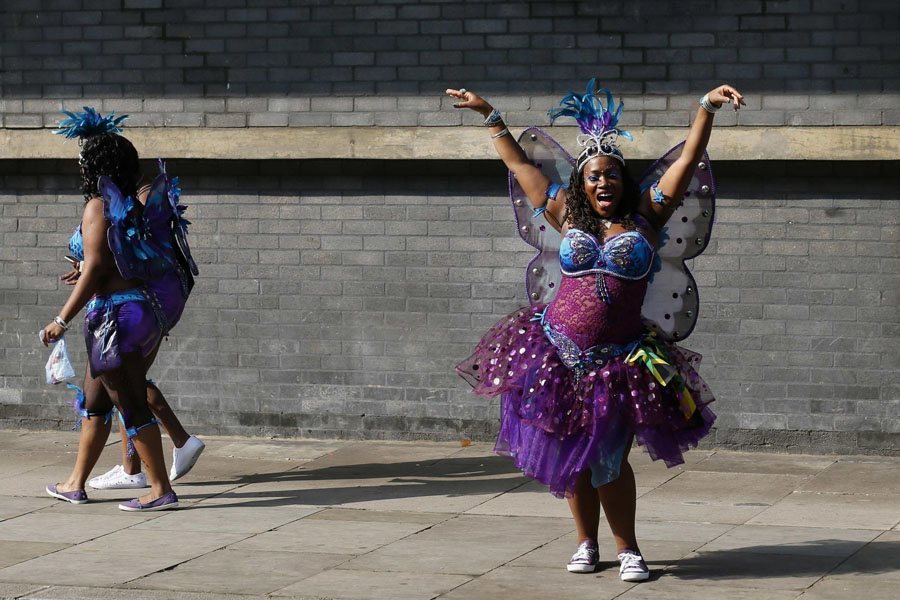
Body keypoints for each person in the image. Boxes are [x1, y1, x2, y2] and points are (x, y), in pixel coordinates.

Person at [450, 82, 744, 581]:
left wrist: (705, 108)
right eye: (592, 177)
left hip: (619, 362)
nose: (602, 182)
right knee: (572, 456)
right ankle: (587, 543)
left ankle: (628, 549)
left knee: (609, 458)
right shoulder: (566, 215)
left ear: (622, 181)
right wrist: (489, 115)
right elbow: (522, 168)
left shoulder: (648, 218)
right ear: (581, 185)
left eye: (610, 175)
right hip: (556, 354)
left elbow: (688, 159)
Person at [41, 108, 200, 511]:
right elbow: (113, 259)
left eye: (83, 159)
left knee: (130, 403)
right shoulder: (130, 205)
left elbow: (96, 267)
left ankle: (160, 490)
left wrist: (61, 319)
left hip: (115, 318)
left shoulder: (98, 205)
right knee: (95, 403)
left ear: (95, 165)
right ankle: (75, 483)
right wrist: (88, 270)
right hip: (134, 312)